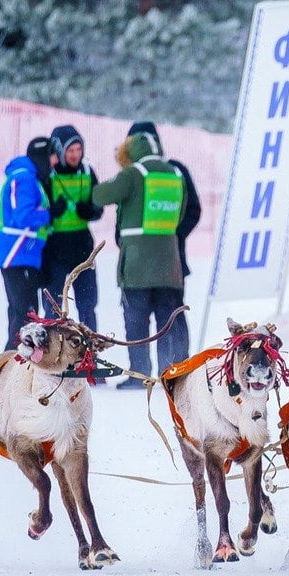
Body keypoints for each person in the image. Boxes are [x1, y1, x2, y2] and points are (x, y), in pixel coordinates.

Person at [92, 131, 188, 390]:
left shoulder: (134, 174)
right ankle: (171, 373)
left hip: (136, 266)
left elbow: (100, 196)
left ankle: (140, 374)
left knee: (136, 321)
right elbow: (180, 214)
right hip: (169, 264)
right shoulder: (175, 174)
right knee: (167, 322)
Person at [126, 120, 201, 362]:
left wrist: (172, 236)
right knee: (139, 317)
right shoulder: (132, 174)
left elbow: (193, 210)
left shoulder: (174, 169)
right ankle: (139, 373)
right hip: (143, 263)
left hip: (168, 261)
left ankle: (174, 369)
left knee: (169, 315)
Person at [0, 137, 53, 350]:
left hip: (25, 253)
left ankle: (14, 363)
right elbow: (23, 216)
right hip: (16, 252)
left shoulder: (31, 177)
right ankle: (11, 363)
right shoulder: (24, 178)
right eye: (52, 156)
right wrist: (51, 214)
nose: (54, 162)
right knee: (25, 314)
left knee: (23, 312)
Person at [42, 124, 102, 332]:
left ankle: (90, 353)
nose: (75, 155)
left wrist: (91, 210)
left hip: (82, 245)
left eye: (78, 150)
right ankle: (53, 354)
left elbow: (98, 207)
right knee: (53, 307)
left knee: (88, 304)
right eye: (70, 150)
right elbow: (36, 209)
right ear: (59, 151)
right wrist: (51, 212)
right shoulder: (47, 174)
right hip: (54, 247)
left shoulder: (87, 171)